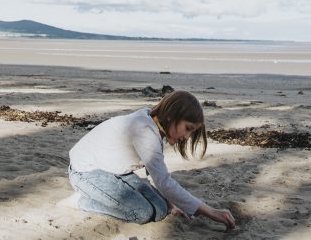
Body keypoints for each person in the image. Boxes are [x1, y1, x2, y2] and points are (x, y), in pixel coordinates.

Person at [68, 89, 236, 229]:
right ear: (171, 115)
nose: (187, 137)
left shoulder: (153, 124)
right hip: (87, 171)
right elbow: (164, 182)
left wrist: (173, 204)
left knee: (161, 208)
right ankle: (82, 201)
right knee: (142, 213)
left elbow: (154, 175)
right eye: (188, 128)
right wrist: (210, 211)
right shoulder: (144, 131)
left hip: (116, 171)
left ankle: (100, 196)